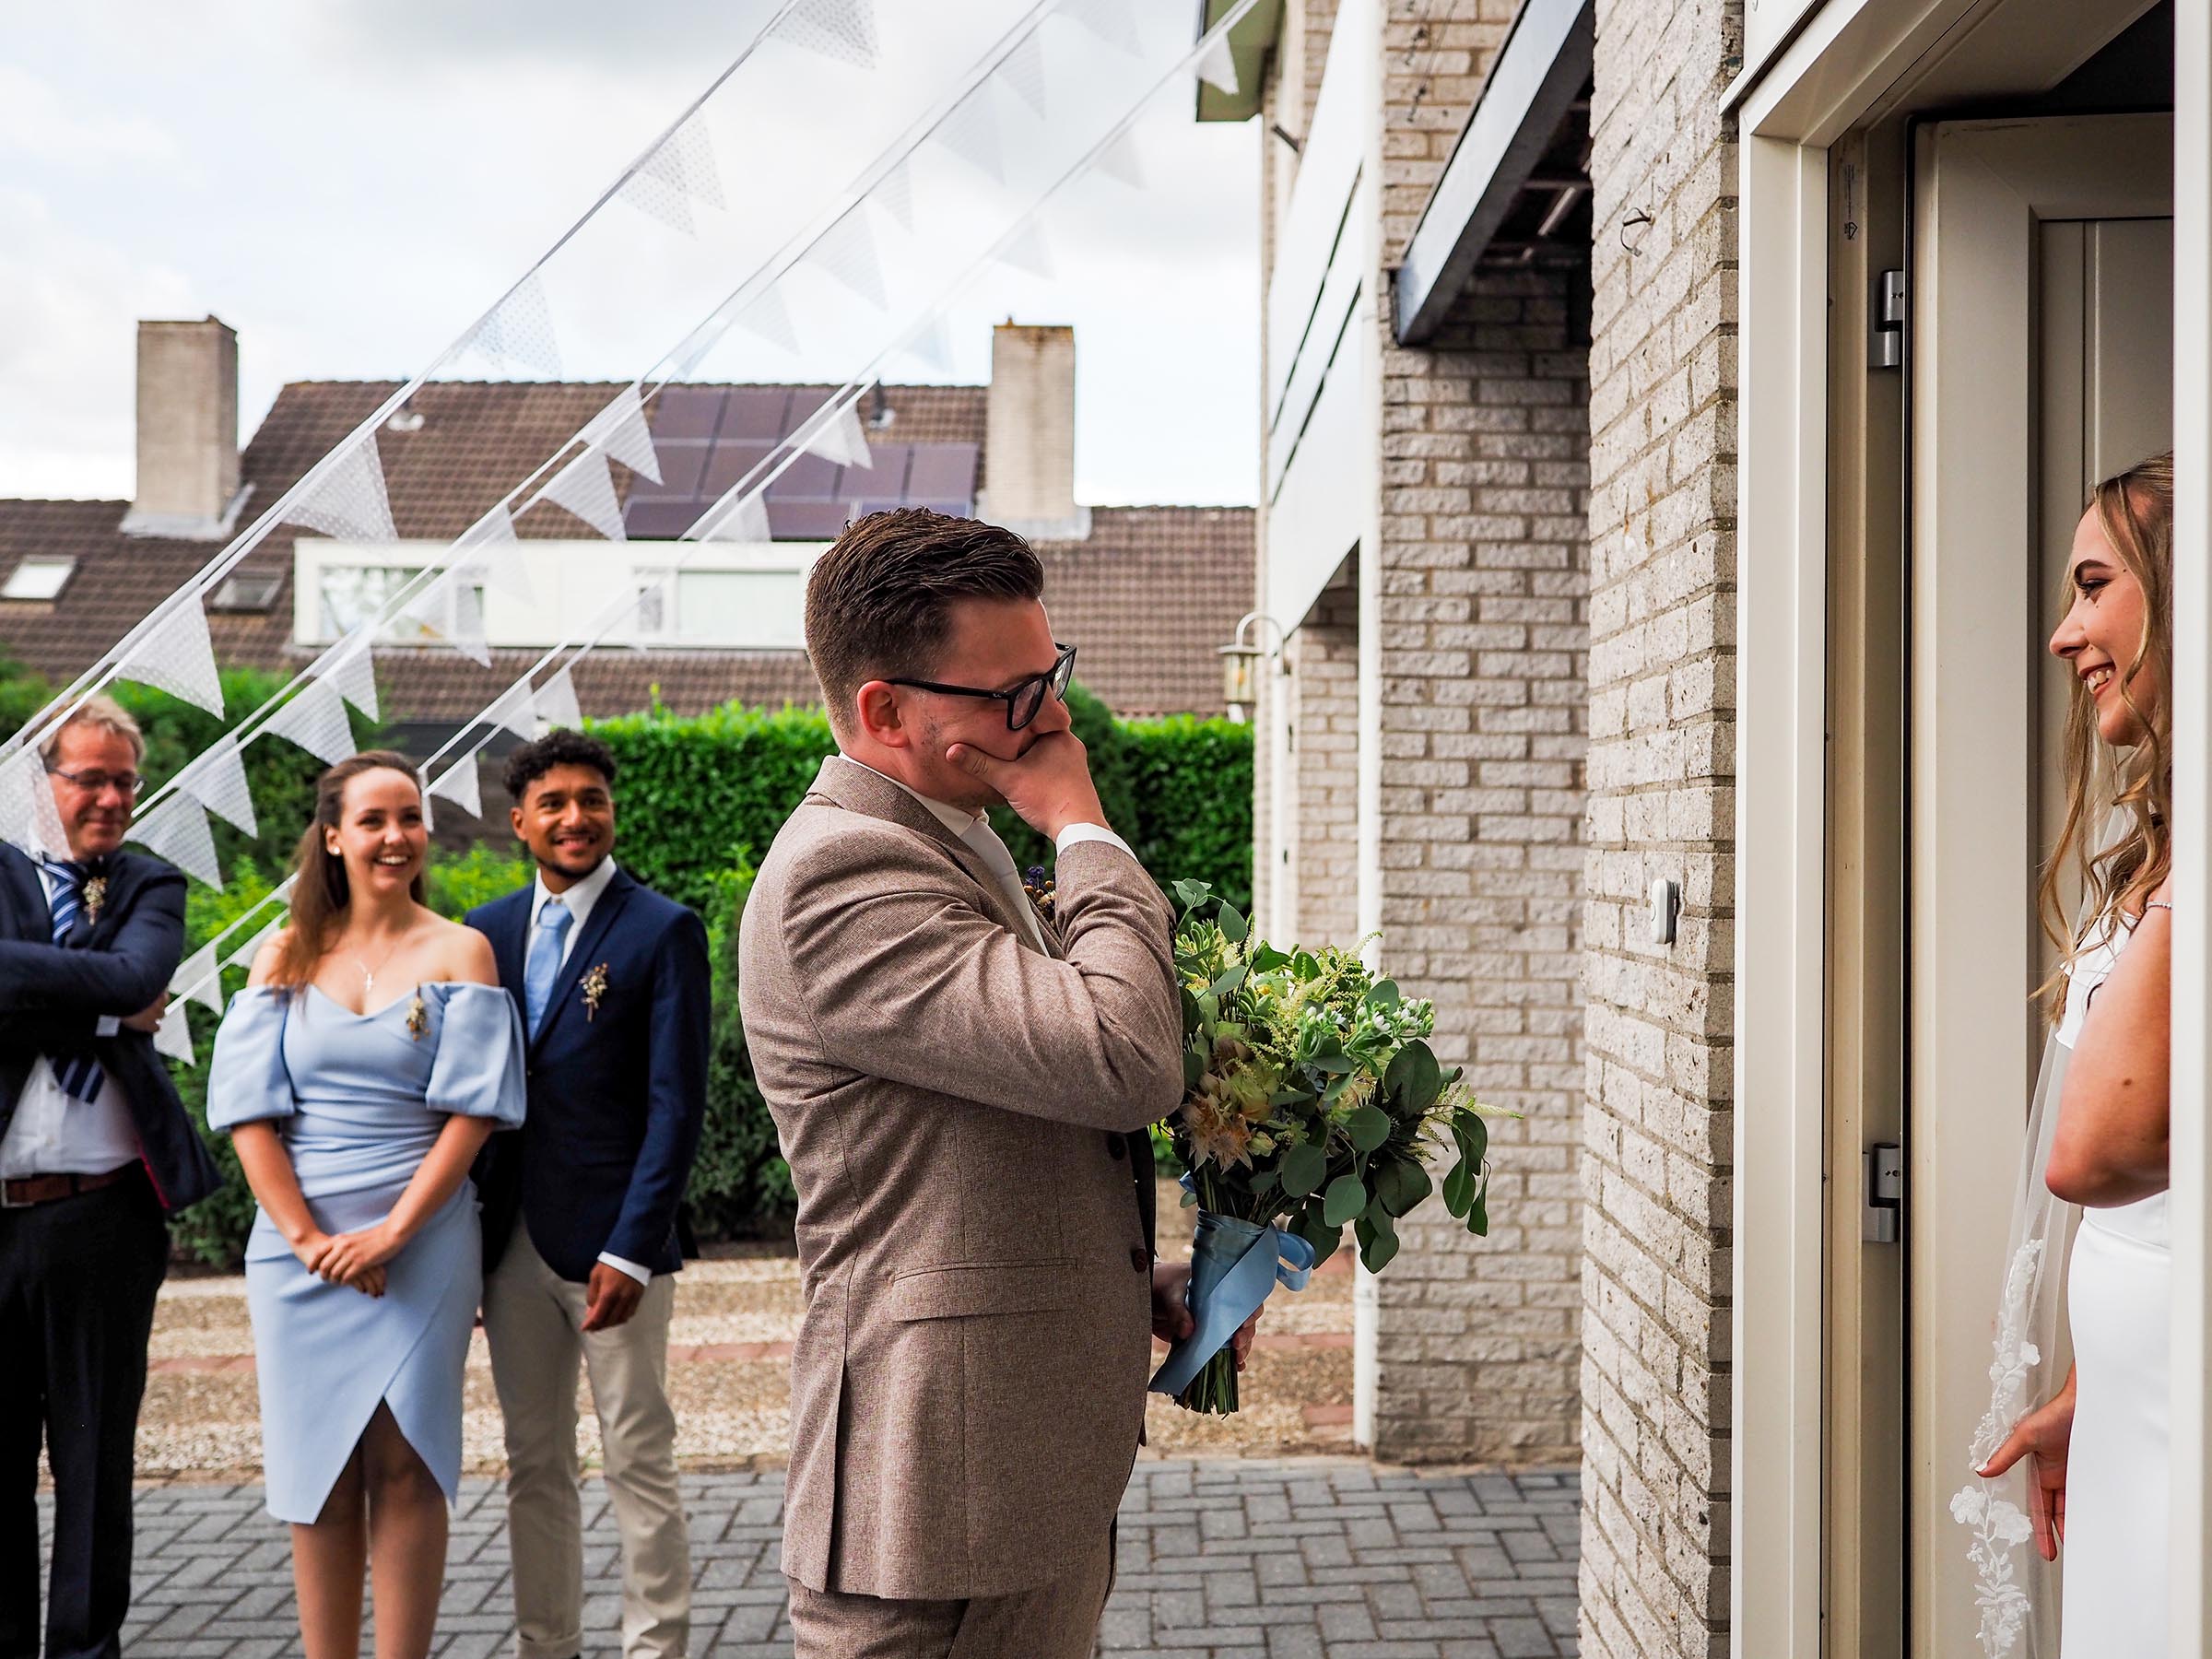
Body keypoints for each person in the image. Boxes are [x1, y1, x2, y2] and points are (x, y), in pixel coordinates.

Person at [741, 508, 1226, 1658]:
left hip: (1009, 1480)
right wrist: (1083, 825)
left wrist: (1125, 1280)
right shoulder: (842, 875)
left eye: (1050, 673)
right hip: (932, 1517)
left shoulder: (951, 828)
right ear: (885, 710)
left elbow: (988, 1125)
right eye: (1010, 694)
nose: (1052, 717)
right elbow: (1122, 1056)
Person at [206, 752, 524, 1659]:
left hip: (419, 1247)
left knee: (408, 1464)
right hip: (298, 1255)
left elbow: (475, 1113)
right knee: (319, 1475)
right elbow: (247, 1109)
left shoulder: (460, 950)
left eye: (410, 818)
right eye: (375, 820)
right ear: (334, 835)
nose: (396, 837)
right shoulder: (286, 952)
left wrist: (391, 1231)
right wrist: (308, 1238)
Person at [1978, 453, 2173, 1658]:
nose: (2064, 634)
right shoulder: (2152, 847)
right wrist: (2090, 1389)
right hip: (2132, 1411)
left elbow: (2089, 1152)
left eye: (2092, 585)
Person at [467, 729, 708, 1659]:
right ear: (520, 819)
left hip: (615, 1248)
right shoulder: (483, 932)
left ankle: (656, 1648)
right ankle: (547, 1645)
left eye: (592, 799)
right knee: (534, 1465)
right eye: (556, 802)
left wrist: (632, 1247)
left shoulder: (663, 930)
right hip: (505, 1243)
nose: (576, 817)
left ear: (612, 810)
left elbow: (675, 1105)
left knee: (638, 1458)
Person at [0, 696, 221, 1659]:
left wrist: (52, 988)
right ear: (40, 782)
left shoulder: (149, 882)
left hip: (105, 1219)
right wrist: (98, 1010)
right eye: (88, 776)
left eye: (123, 780)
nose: (109, 797)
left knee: (95, 1461)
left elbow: (140, 977)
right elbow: (118, 996)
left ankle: (87, 1654)